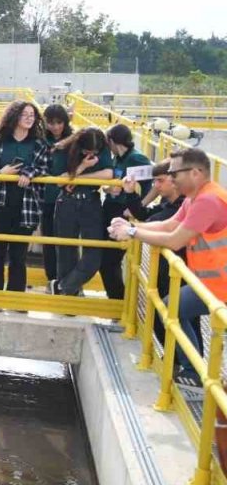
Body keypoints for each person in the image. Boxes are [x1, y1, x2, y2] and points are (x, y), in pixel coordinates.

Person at [110, 148, 227, 389]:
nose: (171, 179)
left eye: (175, 173)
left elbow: (175, 240)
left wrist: (132, 232)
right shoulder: (196, 197)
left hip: (220, 285)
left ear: (195, 173)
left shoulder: (208, 200)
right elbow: (169, 224)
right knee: (173, 305)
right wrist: (132, 227)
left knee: (177, 308)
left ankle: (198, 372)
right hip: (210, 282)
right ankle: (194, 369)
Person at [0, 101, 51, 294]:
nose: (30, 118)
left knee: (19, 255)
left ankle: (15, 297)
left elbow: (45, 168)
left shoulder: (39, 144)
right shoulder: (0, 142)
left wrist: (29, 173)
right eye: (25, 114)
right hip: (0, 204)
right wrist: (1, 172)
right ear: (15, 117)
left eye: (32, 115)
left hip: (27, 206)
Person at [52, 127, 115, 296]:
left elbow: (109, 173)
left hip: (91, 201)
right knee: (66, 252)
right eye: (87, 151)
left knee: (94, 253)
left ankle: (63, 286)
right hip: (67, 201)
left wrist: (77, 179)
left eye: (94, 152)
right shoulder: (64, 149)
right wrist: (82, 166)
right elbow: (59, 181)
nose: (91, 154)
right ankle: (69, 294)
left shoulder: (103, 149)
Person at [97, 124, 153, 299]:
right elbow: (112, 183)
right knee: (106, 260)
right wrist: (108, 189)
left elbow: (154, 184)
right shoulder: (117, 159)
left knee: (109, 261)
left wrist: (139, 206)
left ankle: (118, 301)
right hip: (110, 209)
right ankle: (117, 300)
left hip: (123, 212)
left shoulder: (137, 159)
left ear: (112, 141)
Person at [123, 160, 185, 299]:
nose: (156, 186)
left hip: (185, 271)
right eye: (155, 181)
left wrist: (130, 229)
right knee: (163, 306)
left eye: (160, 181)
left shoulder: (184, 204)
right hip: (170, 269)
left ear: (175, 180)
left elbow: (159, 222)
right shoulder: (168, 201)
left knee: (175, 313)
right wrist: (130, 193)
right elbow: (143, 214)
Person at [40, 104, 73, 290]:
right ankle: (52, 278)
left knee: (67, 241)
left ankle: (68, 280)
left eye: (59, 123)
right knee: (49, 240)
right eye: (51, 123)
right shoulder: (41, 140)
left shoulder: (74, 140)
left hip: (68, 198)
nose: (55, 127)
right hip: (46, 198)